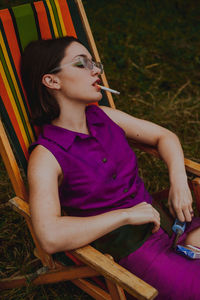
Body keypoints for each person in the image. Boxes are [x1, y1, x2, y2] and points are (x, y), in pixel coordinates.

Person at [20, 36, 200, 300]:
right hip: (135, 253)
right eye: (81, 64)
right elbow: (50, 236)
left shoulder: (104, 117)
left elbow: (165, 137)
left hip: (172, 226)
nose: (96, 70)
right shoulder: (47, 155)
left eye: (95, 64)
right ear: (52, 81)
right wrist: (124, 216)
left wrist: (179, 181)